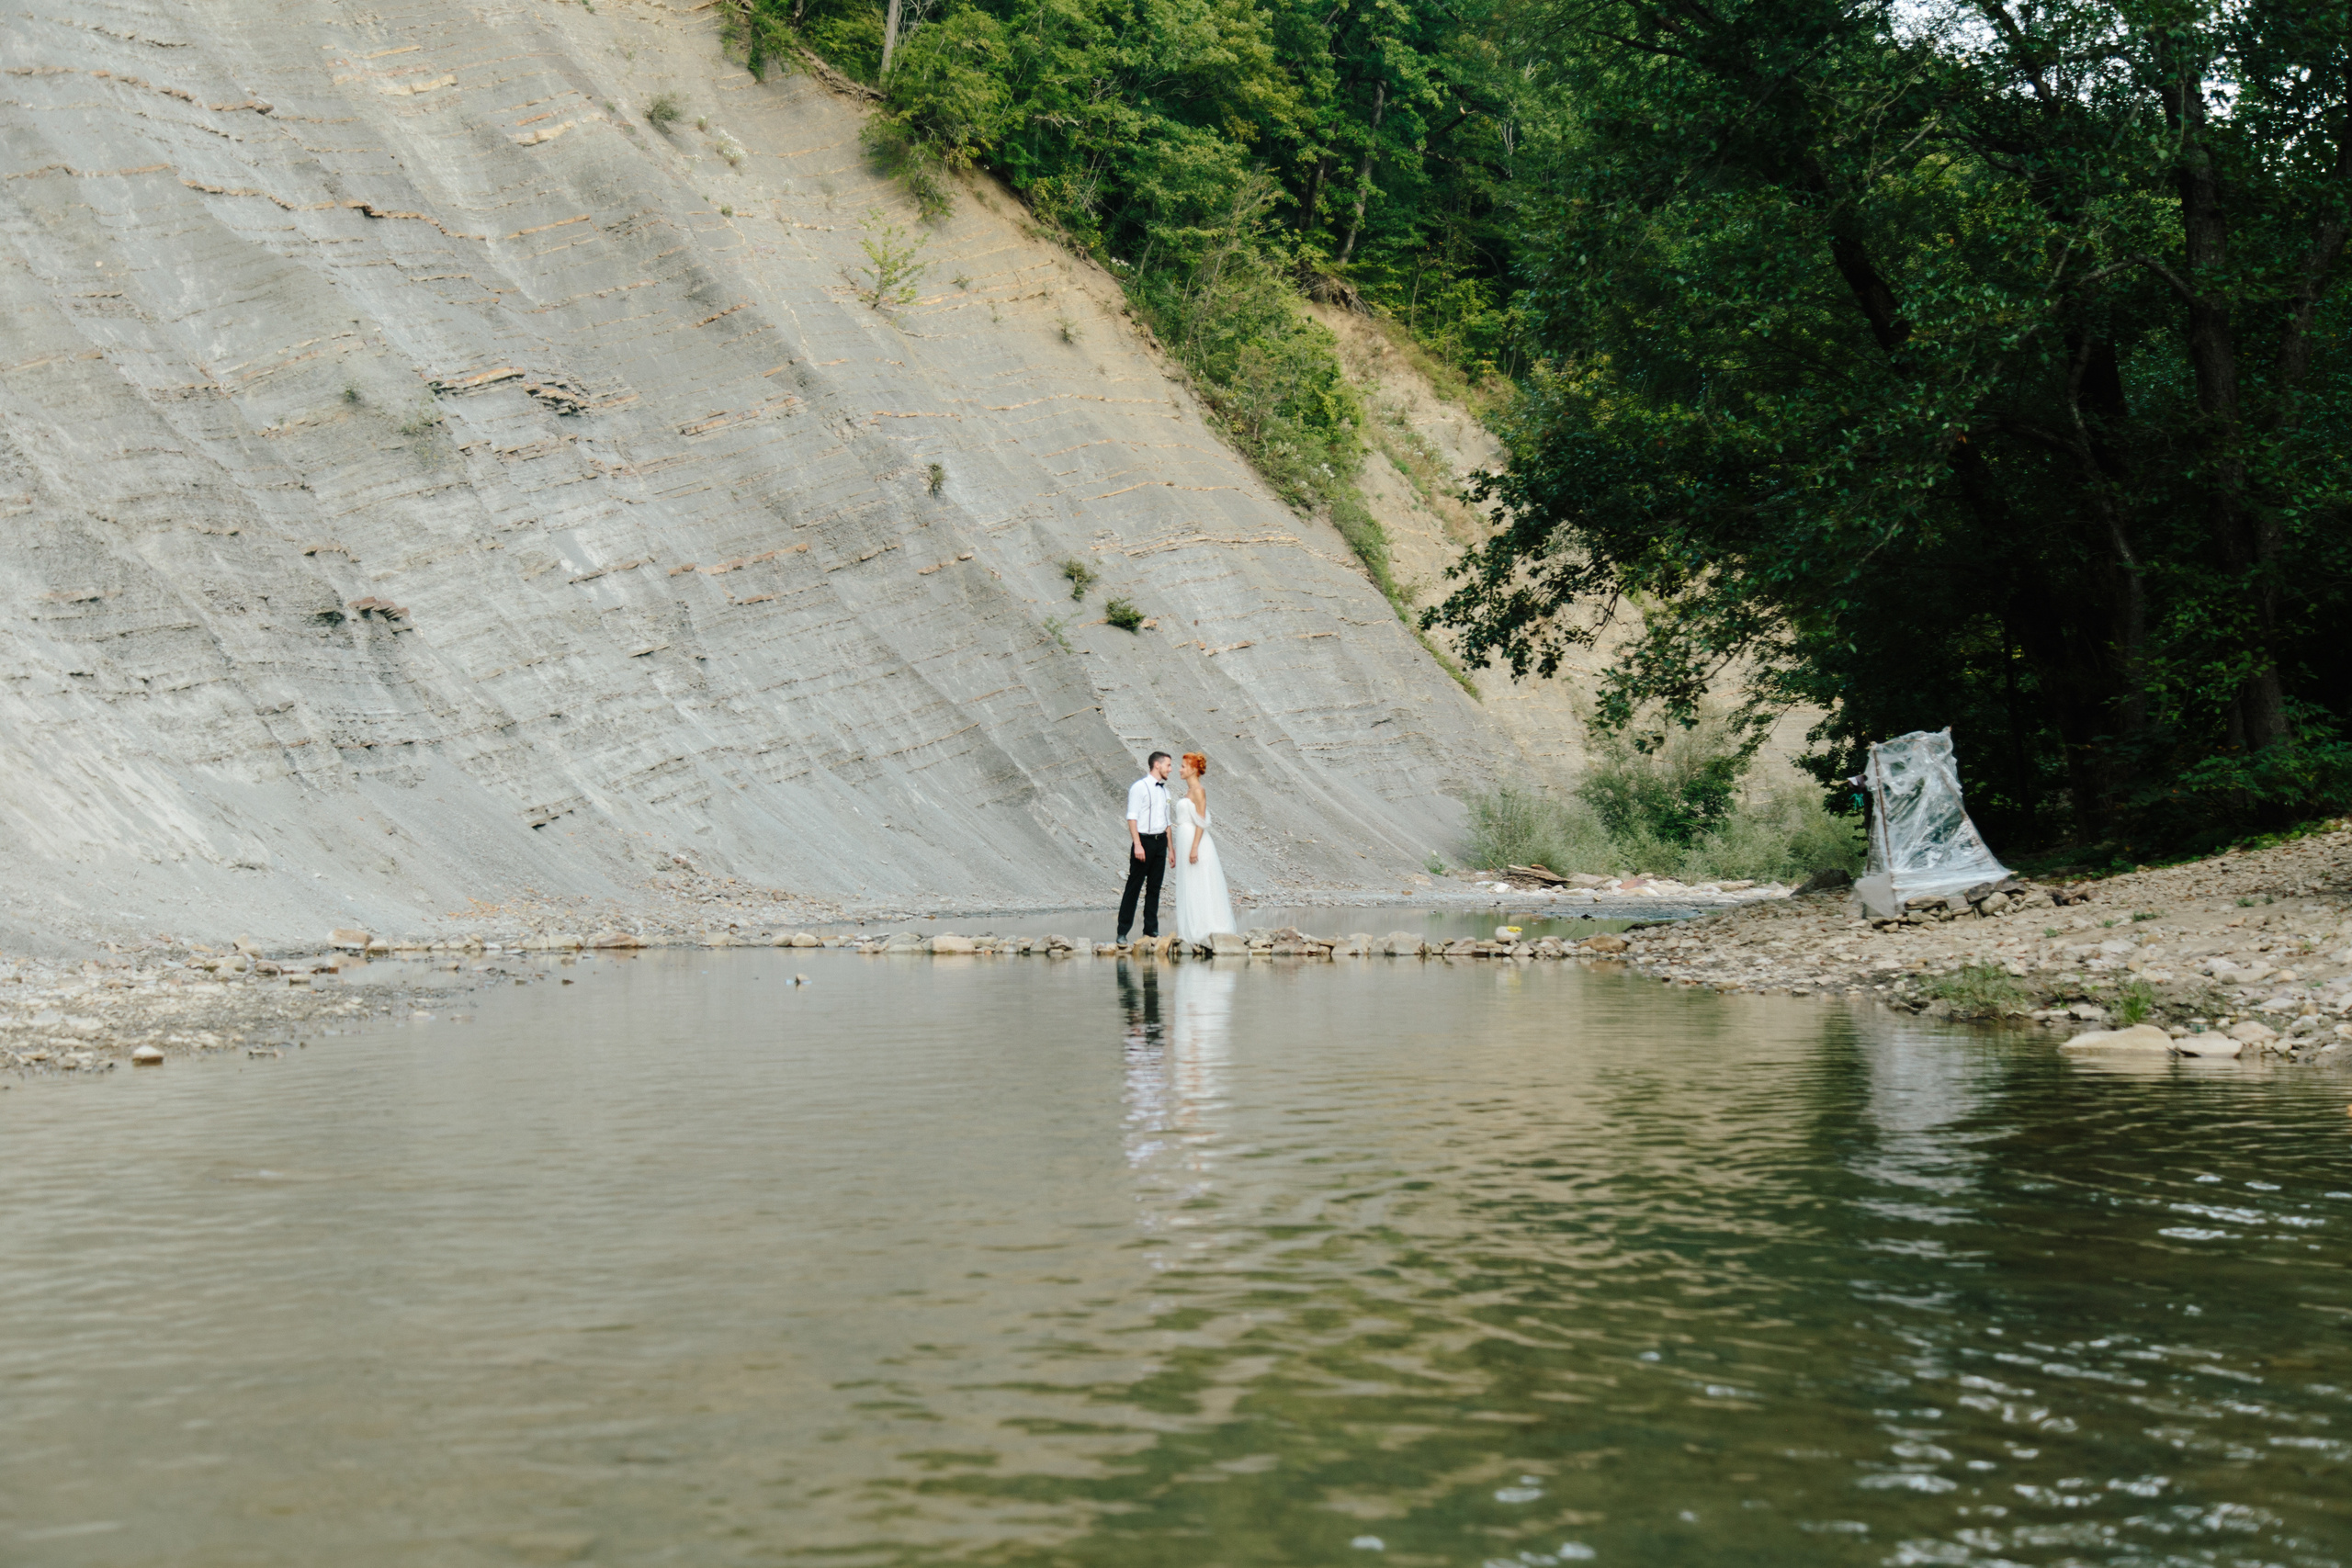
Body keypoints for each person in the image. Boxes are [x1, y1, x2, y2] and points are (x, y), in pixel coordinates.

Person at [1170, 751, 1236, 941]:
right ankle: (1193, 925)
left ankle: (1207, 926)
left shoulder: (1199, 791)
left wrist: (1194, 847)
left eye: (1183, 766)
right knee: (1190, 882)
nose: (1180, 770)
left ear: (1193, 769)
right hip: (1185, 839)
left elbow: (1201, 820)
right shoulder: (1188, 792)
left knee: (1200, 881)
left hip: (1195, 841)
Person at [1117, 751, 1173, 946]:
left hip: (1160, 843)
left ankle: (1151, 929)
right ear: (1157, 765)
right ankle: (1122, 931)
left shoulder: (1166, 792)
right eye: (1168, 765)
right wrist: (1138, 844)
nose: (1170, 769)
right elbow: (1131, 817)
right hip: (1144, 841)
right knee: (1134, 887)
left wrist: (1170, 849)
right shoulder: (1139, 787)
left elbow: (1167, 822)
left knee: (1154, 888)